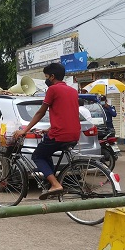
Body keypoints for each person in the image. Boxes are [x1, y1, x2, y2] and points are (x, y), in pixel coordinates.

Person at [13, 63, 81, 200]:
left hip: (60, 134)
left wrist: (24, 130)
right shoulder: (73, 91)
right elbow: (66, 114)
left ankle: (55, 184)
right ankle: (51, 183)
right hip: (74, 133)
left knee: (37, 156)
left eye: (46, 77)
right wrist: (48, 129)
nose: (46, 80)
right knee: (46, 152)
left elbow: (40, 112)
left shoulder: (53, 90)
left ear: (52, 76)